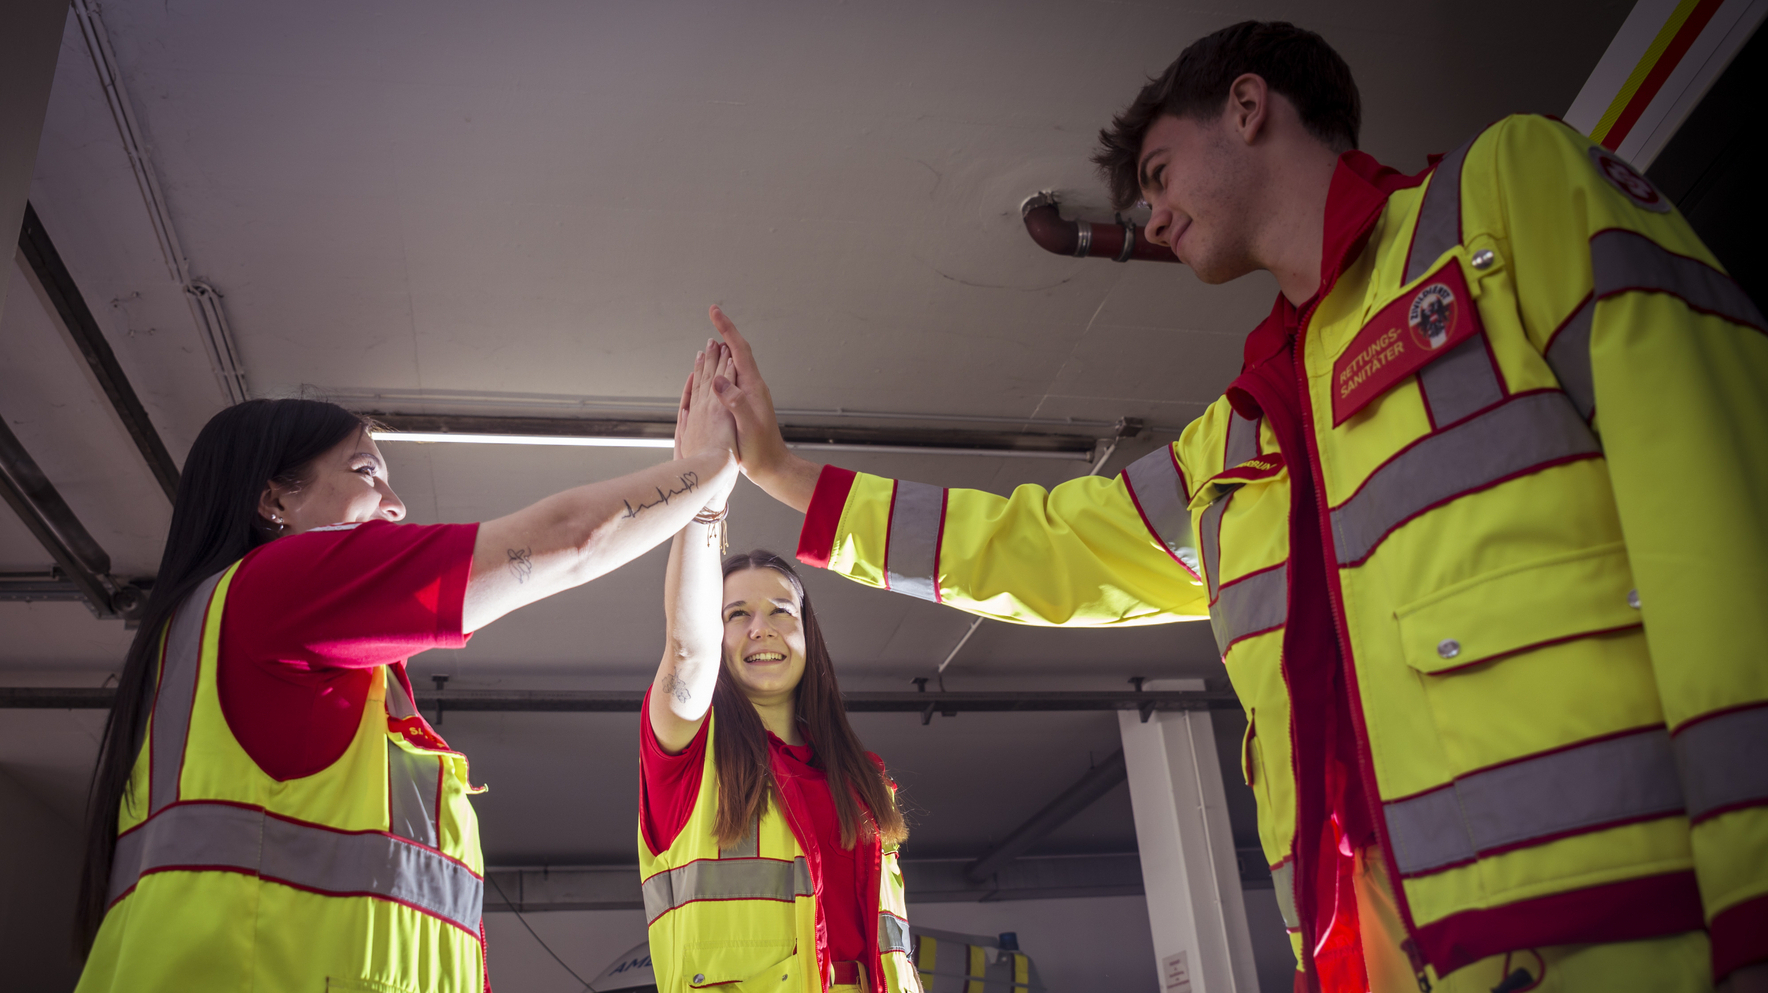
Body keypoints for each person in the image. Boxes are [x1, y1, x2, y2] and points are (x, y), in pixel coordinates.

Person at [701, 20, 1768, 993]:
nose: (1153, 216)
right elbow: (1044, 548)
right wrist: (790, 475)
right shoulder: (1241, 435)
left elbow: (1718, 495)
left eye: (1158, 173)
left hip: (1627, 933)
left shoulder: (1499, 198)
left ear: (1248, 109)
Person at [75, 347, 737, 993]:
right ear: (274, 500)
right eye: (366, 470)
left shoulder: (214, 639)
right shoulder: (276, 589)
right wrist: (712, 466)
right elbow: (569, 537)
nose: (394, 501)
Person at [639, 345, 915, 993]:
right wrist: (702, 491)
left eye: (780, 611)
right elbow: (686, 647)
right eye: (736, 613)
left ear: (807, 634)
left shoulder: (864, 776)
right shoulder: (685, 756)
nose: (759, 627)